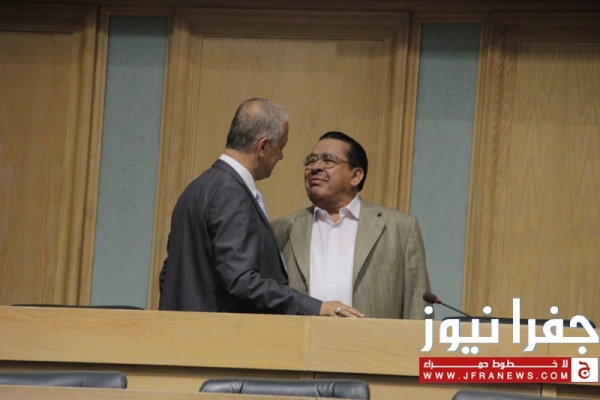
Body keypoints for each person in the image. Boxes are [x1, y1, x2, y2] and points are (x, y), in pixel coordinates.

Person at [159, 99, 363, 318]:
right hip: (218, 334)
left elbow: (168, 274)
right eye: (281, 147)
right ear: (263, 147)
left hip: (179, 330)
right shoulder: (231, 193)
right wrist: (316, 307)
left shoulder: (195, 188)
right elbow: (241, 280)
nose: (281, 156)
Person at [271, 131, 432, 319]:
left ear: (355, 176)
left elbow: (418, 305)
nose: (315, 167)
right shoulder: (281, 229)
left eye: (328, 160)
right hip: (300, 336)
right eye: (311, 160)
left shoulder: (400, 228)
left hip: (372, 337)